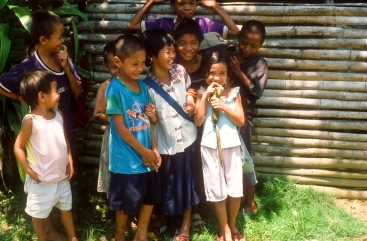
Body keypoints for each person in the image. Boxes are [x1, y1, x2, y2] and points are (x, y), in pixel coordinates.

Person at [0, 10, 81, 241]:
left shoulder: (63, 58)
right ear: (43, 40)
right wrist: (25, 99)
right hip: (41, 134)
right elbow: (3, 84)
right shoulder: (29, 66)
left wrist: (66, 67)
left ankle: (58, 223)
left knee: (61, 174)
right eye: (58, 37)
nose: (62, 41)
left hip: (62, 128)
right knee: (45, 178)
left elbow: (76, 92)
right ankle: (49, 229)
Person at [139, 28, 199, 241]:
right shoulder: (145, 86)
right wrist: (152, 118)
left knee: (187, 180)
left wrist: (191, 99)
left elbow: (190, 90)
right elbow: (152, 121)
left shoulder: (181, 72)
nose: (172, 55)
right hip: (165, 144)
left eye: (173, 50)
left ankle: (185, 224)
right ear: (152, 56)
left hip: (188, 138)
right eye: (167, 51)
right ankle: (162, 218)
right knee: (166, 181)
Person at [106, 34, 161, 241]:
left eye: (143, 63)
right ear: (118, 62)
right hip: (126, 162)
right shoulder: (114, 89)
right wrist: (144, 152)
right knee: (123, 204)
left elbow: (148, 123)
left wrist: (153, 150)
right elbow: (119, 128)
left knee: (150, 197)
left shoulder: (143, 88)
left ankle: (141, 235)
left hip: (147, 158)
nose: (140, 68)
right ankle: (120, 235)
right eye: (135, 64)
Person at [13, 70, 78, 241]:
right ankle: (42, 237)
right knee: (38, 212)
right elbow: (18, 147)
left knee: (66, 207)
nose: (59, 94)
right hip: (41, 181)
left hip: (61, 177)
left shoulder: (59, 115)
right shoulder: (30, 121)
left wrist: (70, 158)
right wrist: (28, 170)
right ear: (42, 96)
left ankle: (72, 237)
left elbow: (64, 140)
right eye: (55, 90)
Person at [193, 49, 245, 241]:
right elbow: (198, 121)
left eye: (222, 73)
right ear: (205, 73)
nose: (217, 77)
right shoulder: (201, 93)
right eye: (212, 73)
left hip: (231, 145)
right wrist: (205, 96)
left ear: (228, 75)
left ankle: (232, 223)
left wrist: (223, 106)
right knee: (217, 189)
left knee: (235, 188)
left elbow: (240, 120)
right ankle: (225, 228)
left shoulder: (233, 93)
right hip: (209, 146)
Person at [230, 20, 268, 216]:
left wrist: (237, 72)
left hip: (243, 119)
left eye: (253, 45)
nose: (247, 48)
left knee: (245, 160)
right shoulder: (230, 57)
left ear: (261, 45)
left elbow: (256, 90)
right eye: (244, 43)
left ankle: (250, 201)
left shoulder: (260, 63)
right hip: (224, 115)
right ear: (238, 39)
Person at [127, 0, 239, 37]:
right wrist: (150, 2)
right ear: (172, 5)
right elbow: (132, 25)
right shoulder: (162, 24)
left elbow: (234, 30)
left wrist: (215, 6)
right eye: (181, 3)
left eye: (191, 3)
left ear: (196, 4)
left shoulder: (204, 24)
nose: (187, 8)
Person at [94, 40, 118, 196]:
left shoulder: (136, 85)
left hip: (135, 134)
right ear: (106, 67)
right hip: (114, 136)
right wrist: (117, 122)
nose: (119, 70)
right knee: (114, 167)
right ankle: (117, 205)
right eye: (114, 67)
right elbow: (98, 113)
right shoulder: (106, 86)